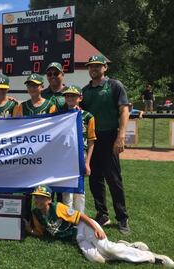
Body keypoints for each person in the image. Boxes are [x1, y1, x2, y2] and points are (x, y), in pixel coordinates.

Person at [24, 185, 174, 267]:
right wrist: (28, 229)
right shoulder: (36, 213)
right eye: (36, 197)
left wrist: (96, 228)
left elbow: (82, 216)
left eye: (41, 198)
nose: (37, 200)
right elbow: (40, 232)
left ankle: (152, 257)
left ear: (49, 200)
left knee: (107, 248)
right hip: (77, 238)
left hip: (85, 227)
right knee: (98, 259)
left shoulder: (58, 207)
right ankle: (131, 247)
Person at [81, 55, 130, 234]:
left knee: (114, 179)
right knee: (95, 179)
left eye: (97, 66)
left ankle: (122, 217)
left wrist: (121, 136)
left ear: (105, 68)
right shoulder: (85, 91)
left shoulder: (114, 85)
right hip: (92, 139)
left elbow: (124, 110)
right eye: (91, 66)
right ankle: (102, 214)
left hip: (110, 136)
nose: (93, 68)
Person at [61, 85, 96, 213]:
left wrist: (88, 163)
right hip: (65, 155)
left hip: (81, 155)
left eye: (73, 96)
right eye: (67, 95)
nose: (70, 98)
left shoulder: (88, 116)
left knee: (79, 190)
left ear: (80, 98)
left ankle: (80, 218)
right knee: (67, 190)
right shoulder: (60, 115)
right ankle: (68, 219)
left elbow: (91, 140)